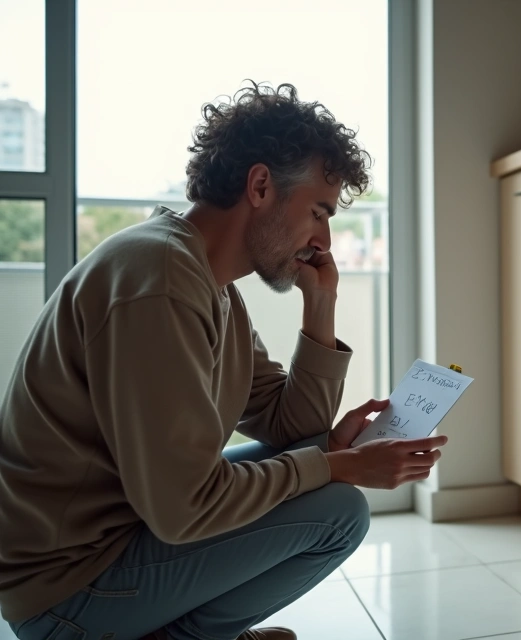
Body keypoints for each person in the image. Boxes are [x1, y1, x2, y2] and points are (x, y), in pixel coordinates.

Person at [0, 82, 447, 640]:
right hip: (67, 594)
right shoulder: (159, 278)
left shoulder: (211, 288)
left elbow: (292, 428)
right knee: (340, 512)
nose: (324, 241)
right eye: (318, 211)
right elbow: (183, 508)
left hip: (122, 538)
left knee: (316, 464)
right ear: (260, 185)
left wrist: (321, 308)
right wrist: (338, 467)